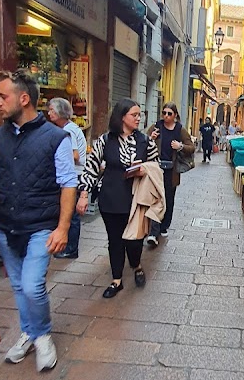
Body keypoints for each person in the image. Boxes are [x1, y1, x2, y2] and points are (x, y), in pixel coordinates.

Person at [0, 69, 78, 372]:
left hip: (41, 227)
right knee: (19, 286)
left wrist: (62, 228)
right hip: (7, 226)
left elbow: (68, 184)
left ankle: (42, 334)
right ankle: (29, 332)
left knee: (33, 286)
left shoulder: (56, 138)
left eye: (2, 96)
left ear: (23, 99)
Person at [76, 99, 159, 298]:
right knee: (115, 240)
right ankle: (116, 280)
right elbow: (91, 168)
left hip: (136, 200)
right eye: (134, 115)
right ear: (122, 117)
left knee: (134, 240)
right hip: (111, 198)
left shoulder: (146, 141)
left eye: (140, 115)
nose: (139, 118)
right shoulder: (105, 140)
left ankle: (137, 265)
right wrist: (84, 194)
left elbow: (156, 168)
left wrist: (143, 169)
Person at [146, 102, 195, 247]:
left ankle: (164, 226)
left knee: (169, 198)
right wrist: (151, 137)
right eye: (164, 113)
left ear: (175, 115)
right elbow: (143, 139)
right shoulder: (157, 126)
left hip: (172, 170)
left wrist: (180, 147)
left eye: (169, 114)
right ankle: (154, 229)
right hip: (156, 168)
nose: (166, 116)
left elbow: (191, 147)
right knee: (156, 198)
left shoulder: (180, 130)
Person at [48, 98, 87, 259]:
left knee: (71, 213)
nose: (48, 113)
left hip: (75, 175)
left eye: (51, 110)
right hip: (76, 174)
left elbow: (75, 155)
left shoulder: (68, 130)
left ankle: (70, 249)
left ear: (59, 112)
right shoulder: (69, 128)